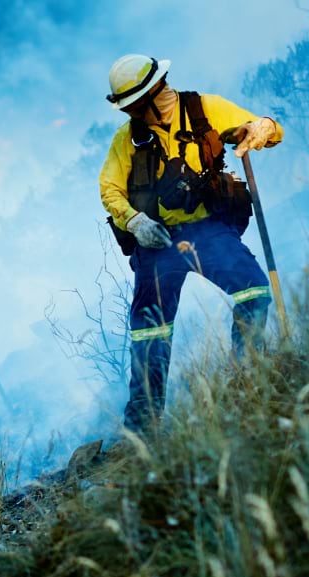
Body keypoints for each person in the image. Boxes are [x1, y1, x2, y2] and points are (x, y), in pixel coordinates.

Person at [99, 54, 283, 431]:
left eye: (132, 104)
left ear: (150, 94)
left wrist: (262, 127)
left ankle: (244, 384)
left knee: (254, 291)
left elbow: (260, 128)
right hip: (156, 242)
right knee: (150, 329)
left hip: (206, 230)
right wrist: (135, 222)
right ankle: (143, 428)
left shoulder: (205, 110)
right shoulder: (127, 139)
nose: (128, 112)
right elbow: (110, 189)